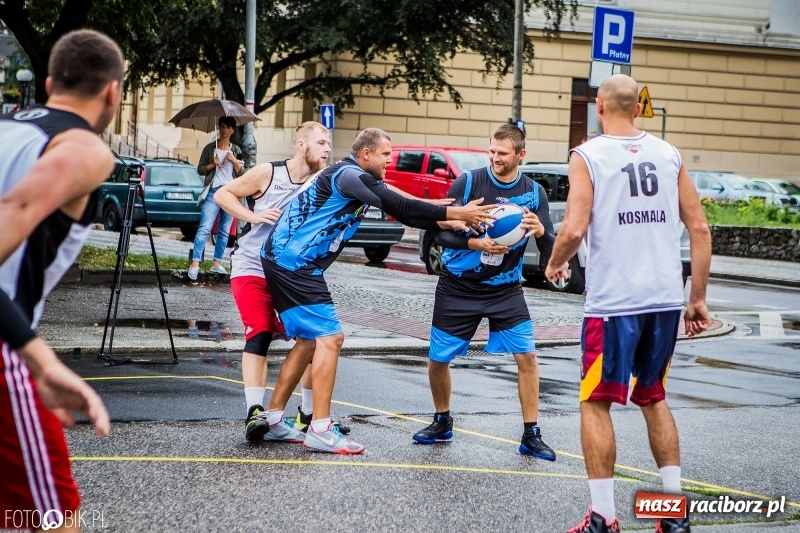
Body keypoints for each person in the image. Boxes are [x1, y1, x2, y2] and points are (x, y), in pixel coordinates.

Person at [261, 128, 495, 454]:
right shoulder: (348, 175)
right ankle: (320, 429)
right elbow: (398, 206)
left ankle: (273, 420)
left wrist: (444, 216)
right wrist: (455, 213)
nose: (390, 159)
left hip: (286, 259)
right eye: (386, 154)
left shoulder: (355, 177)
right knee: (331, 337)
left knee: (309, 340)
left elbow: (397, 195)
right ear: (366, 153)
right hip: (292, 261)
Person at [545, 75, 711, 533]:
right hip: (662, 298)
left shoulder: (588, 155)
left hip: (613, 302)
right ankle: (673, 519)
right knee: (654, 398)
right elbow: (699, 229)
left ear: (599, 106)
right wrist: (695, 298)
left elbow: (575, 228)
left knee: (595, 402)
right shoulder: (669, 154)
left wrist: (555, 263)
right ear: (637, 107)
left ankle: (604, 517)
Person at [0, 29, 122, 531]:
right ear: (112, 92)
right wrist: (39, 357)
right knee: (54, 516)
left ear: (49, 82)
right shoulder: (85, 149)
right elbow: (19, 207)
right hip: (8, 344)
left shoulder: (6, 129)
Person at [411, 124, 557, 462]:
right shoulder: (469, 182)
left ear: (521, 154)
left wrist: (540, 233)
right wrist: (475, 242)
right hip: (457, 285)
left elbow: (550, 247)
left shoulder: (535, 193)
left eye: (502, 153)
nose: (495, 158)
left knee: (528, 357)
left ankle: (531, 434)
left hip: (505, 289)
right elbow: (437, 234)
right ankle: (442, 420)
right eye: (492, 151)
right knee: (438, 359)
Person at [214, 121, 348, 442]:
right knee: (259, 331)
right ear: (301, 145)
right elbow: (223, 193)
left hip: (289, 271)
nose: (327, 149)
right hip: (252, 266)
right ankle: (255, 413)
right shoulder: (268, 173)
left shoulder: (321, 179)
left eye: (328, 143)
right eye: (321, 143)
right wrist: (253, 216)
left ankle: (307, 415)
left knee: (310, 338)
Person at [187, 116, 244, 280]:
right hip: (213, 192)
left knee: (225, 231)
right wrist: (213, 164)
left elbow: (243, 174)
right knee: (205, 227)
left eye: (227, 127)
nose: (224, 130)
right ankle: (195, 263)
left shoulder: (237, 150)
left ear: (232, 130)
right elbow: (200, 169)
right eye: (222, 126)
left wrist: (233, 161)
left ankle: (217, 263)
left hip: (230, 193)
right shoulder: (210, 148)